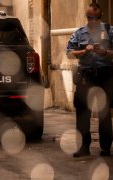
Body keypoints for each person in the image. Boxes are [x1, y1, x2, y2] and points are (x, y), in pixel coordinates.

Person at [67, 2, 113, 157]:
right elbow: (69, 53)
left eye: (95, 17)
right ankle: (83, 147)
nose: (91, 20)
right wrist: (83, 51)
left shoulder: (109, 31)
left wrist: (105, 52)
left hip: (104, 76)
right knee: (82, 114)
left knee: (104, 113)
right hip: (86, 77)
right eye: (89, 17)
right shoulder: (79, 33)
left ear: (100, 16)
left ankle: (106, 147)